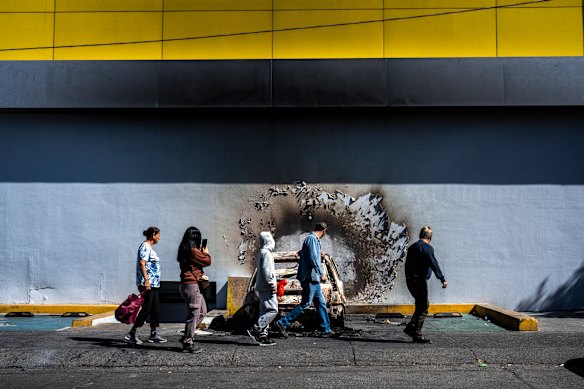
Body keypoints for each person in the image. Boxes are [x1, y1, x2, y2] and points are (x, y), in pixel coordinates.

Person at [275, 222, 335, 338]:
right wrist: (321, 273)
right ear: (324, 231)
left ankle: (326, 329)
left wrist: (319, 255)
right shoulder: (312, 239)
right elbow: (313, 258)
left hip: (313, 279)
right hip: (310, 277)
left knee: (321, 303)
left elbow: (306, 254)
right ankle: (282, 323)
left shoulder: (312, 240)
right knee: (306, 303)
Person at [403, 226, 448, 344]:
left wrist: (408, 277)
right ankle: (414, 331)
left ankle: (413, 330)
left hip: (410, 279)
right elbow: (433, 263)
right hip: (420, 280)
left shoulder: (413, 247)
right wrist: (442, 278)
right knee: (423, 307)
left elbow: (407, 264)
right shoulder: (427, 247)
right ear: (430, 237)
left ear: (420, 235)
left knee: (421, 305)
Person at [125, 227, 167, 344]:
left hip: (154, 284)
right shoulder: (145, 247)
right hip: (147, 284)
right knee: (147, 308)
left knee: (155, 309)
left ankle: (153, 334)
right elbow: (142, 263)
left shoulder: (150, 248)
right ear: (153, 235)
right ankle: (131, 334)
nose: (159, 237)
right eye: (158, 235)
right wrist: (147, 280)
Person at [177, 226, 212, 353]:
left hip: (188, 285)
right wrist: (206, 252)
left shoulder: (184, 250)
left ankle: (187, 336)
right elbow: (207, 261)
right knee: (195, 313)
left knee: (202, 311)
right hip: (192, 285)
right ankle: (187, 343)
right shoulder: (193, 251)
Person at [246, 231, 278, 346]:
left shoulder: (260, 253)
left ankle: (263, 336)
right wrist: (272, 285)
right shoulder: (267, 254)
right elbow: (268, 272)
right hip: (266, 287)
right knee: (273, 310)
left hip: (260, 286)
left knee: (263, 311)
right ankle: (256, 328)